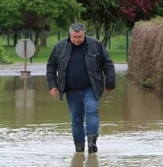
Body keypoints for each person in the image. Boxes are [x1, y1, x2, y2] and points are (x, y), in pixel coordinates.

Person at [46, 23, 115, 153]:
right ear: (70, 35)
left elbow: (108, 63)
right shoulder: (60, 47)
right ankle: (79, 149)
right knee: (76, 119)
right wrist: (52, 85)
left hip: (91, 87)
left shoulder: (95, 45)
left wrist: (110, 83)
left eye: (80, 37)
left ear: (84, 34)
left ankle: (92, 143)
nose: (77, 40)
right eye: (74, 37)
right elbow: (51, 66)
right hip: (71, 90)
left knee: (91, 111)